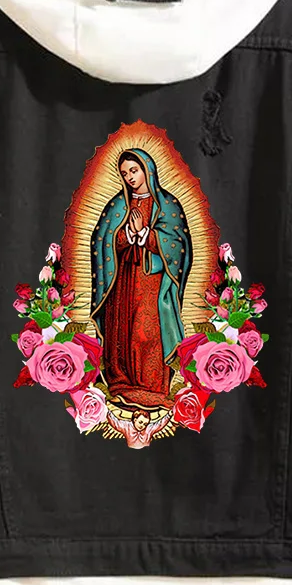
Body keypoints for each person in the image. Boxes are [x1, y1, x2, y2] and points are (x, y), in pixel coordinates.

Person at [90, 149, 191, 409]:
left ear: (148, 169)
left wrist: (146, 235)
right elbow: (101, 240)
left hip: (152, 282)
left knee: (147, 331)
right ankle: (121, 384)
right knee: (121, 329)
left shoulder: (167, 204)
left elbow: (178, 245)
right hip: (122, 280)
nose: (130, 178)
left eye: (134, 171)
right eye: (124, 173)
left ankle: (152, 387)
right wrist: (126, 234)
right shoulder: (118, 205)